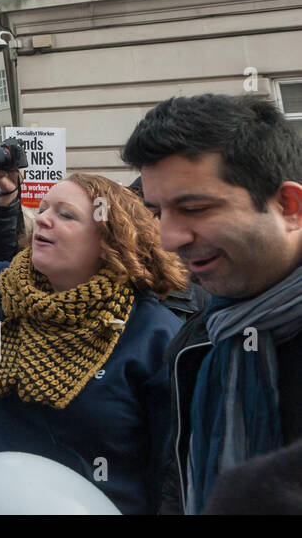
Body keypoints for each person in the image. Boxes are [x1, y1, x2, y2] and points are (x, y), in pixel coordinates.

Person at [0, 173, 184, 513]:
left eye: (66, 214)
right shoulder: (6, 289)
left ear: (111, 240)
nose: (43, 219)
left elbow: (171, 475)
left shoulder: (155, 335)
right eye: (43, 208)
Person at [122, 94, 302, 514]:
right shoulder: (196, 343)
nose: (169, 238)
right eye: (158, 212)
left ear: (288, 206)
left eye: (194, 208)